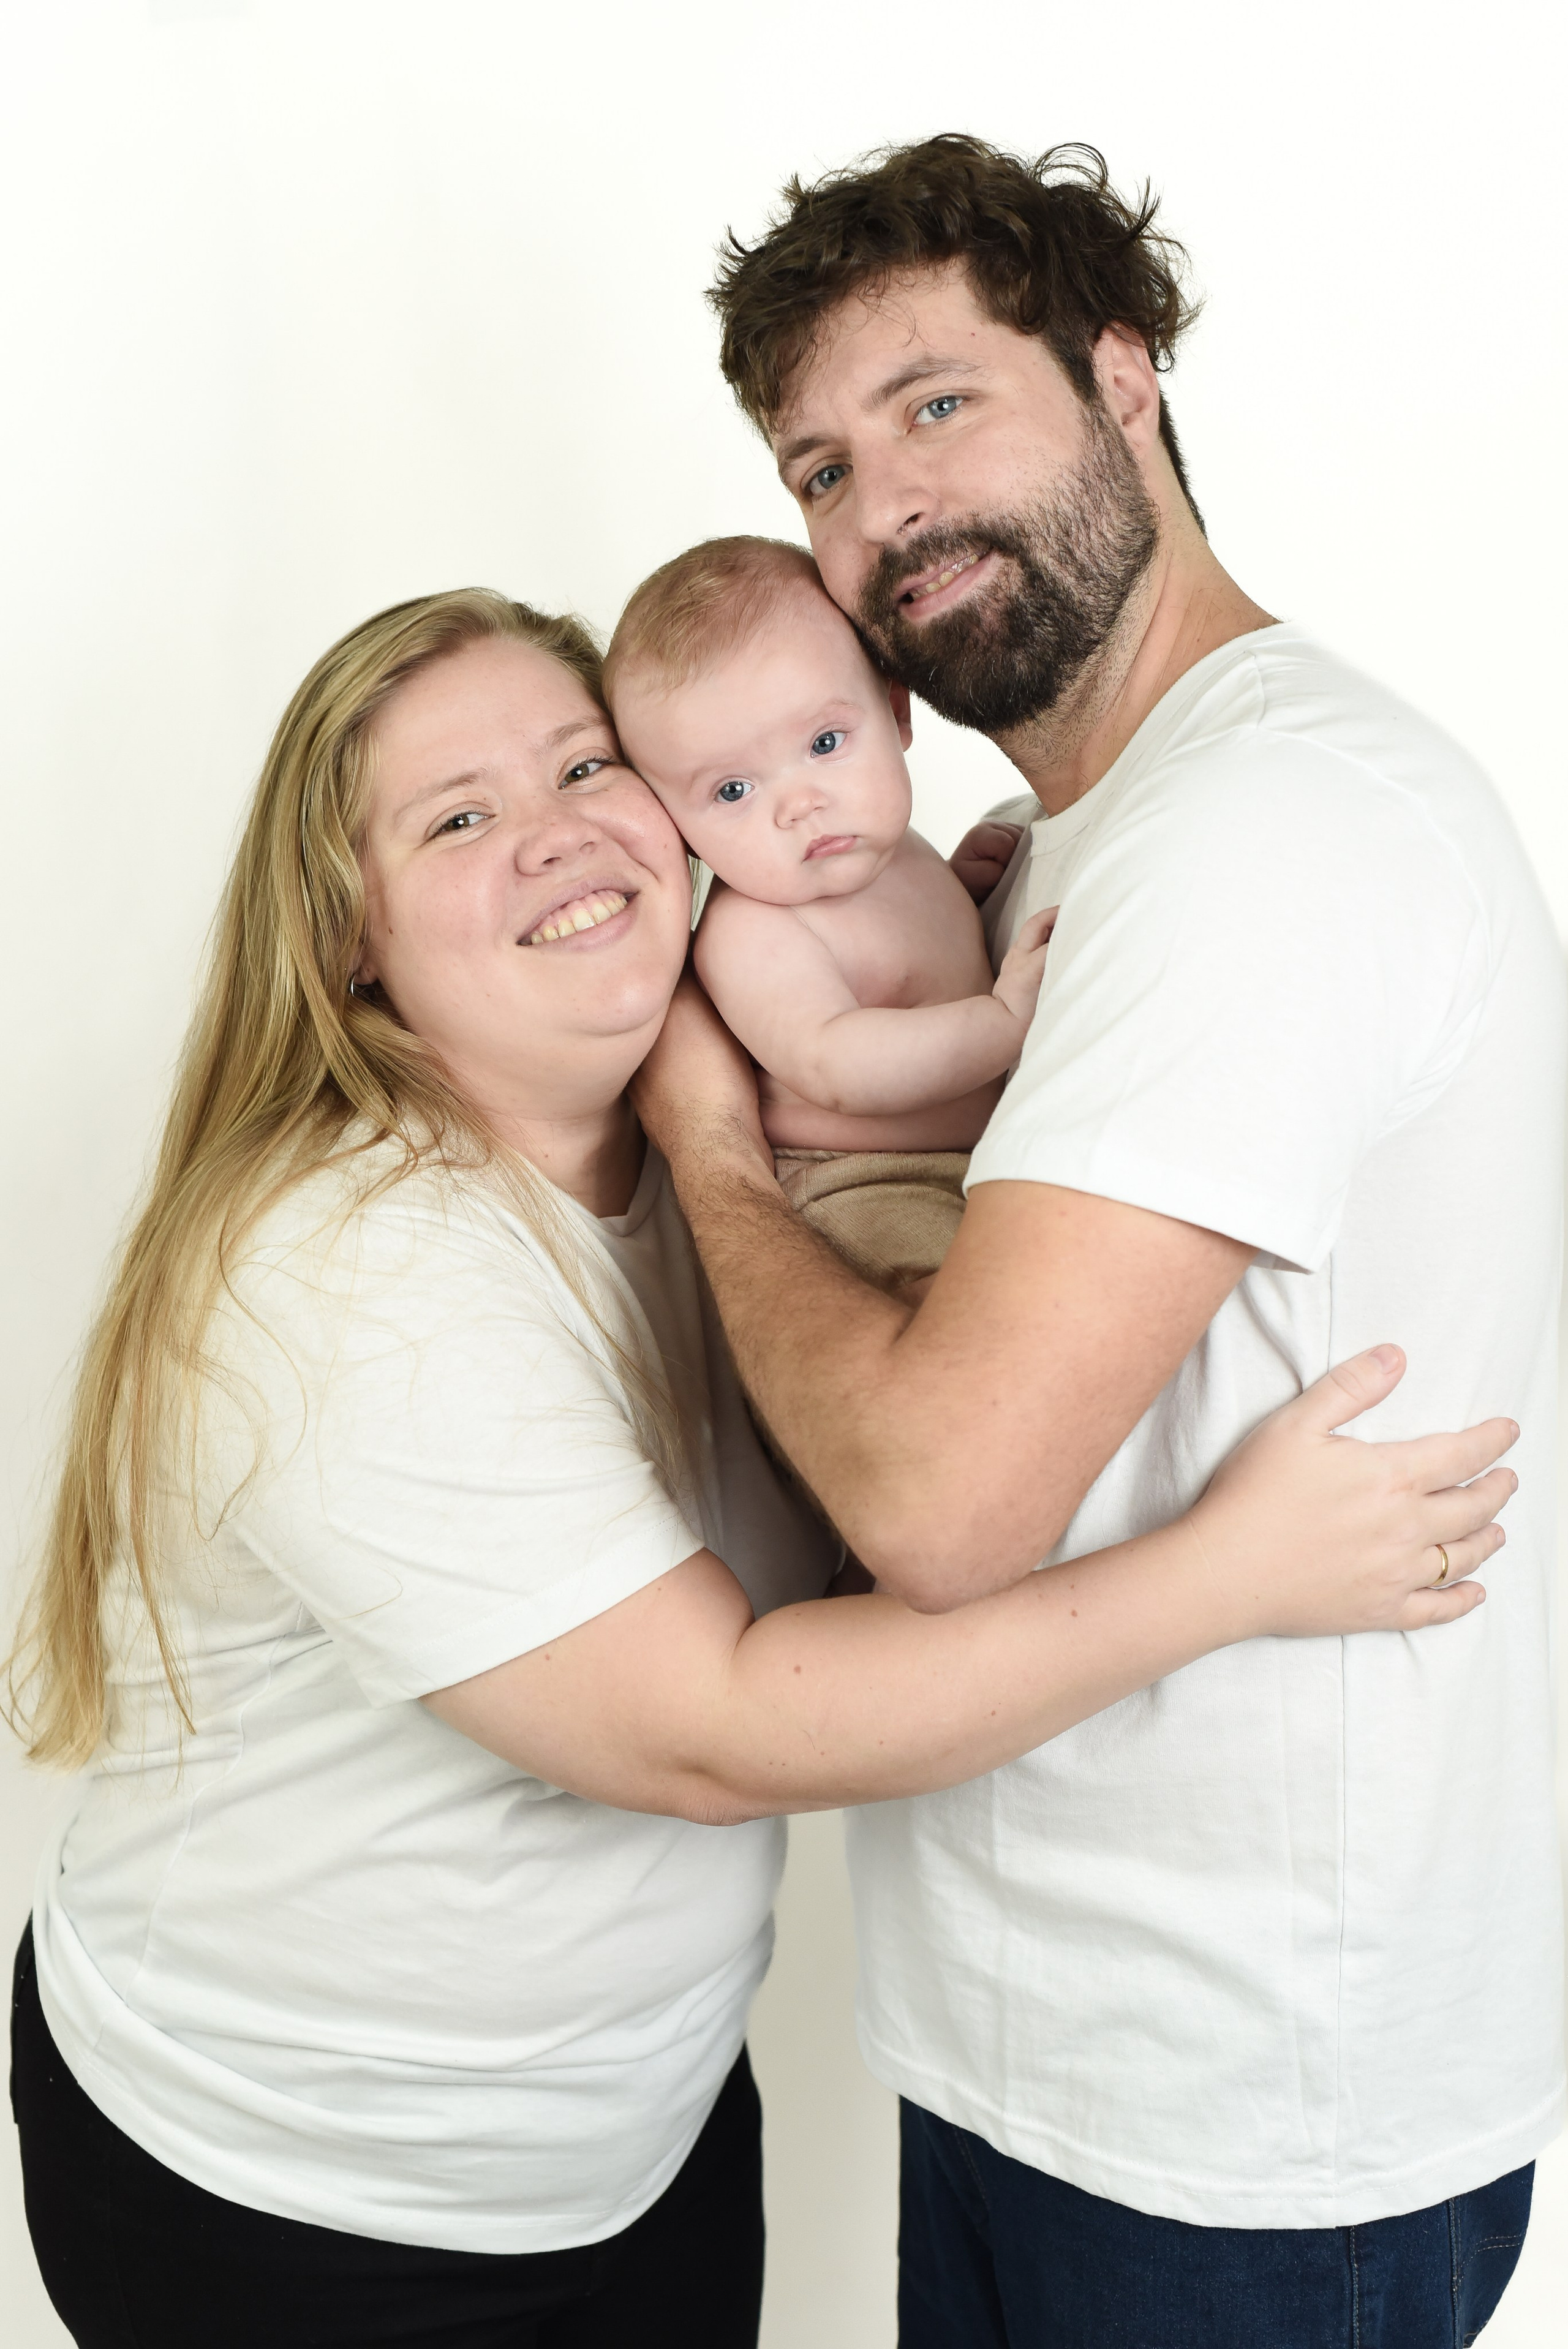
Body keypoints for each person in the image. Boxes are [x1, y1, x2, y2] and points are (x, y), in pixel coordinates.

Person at [6, 589, 1511, 2349]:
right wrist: (1231, 1571)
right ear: (347, 933)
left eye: (584, 765)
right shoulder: (356, 1274)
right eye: (459, 816)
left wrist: (926, 918)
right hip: (303, 2191)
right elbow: (711, 1727)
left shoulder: (710, 1160)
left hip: (636, 2138)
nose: (556, 832)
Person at [630, 135, 1568, 2345]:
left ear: (1123, 378)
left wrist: (715, 1147)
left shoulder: (1258, 827)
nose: (884, 508)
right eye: (821, 468)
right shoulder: (1059, 844)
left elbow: (942, 1501)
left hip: (1233, 2115)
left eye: (938, 404)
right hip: (1039, 2052)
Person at [605, 532, 1055, 1290]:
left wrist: (955, 890)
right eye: (732, 790)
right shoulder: (751, 932)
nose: (799, 804)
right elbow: (836, 1061)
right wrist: (1003, 1024)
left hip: (980, 1161)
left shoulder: (885, 849)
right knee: (954, 1314)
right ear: (673, 823)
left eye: (823, 742)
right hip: (862, 1184)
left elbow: (898, 962)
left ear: (896, 710)